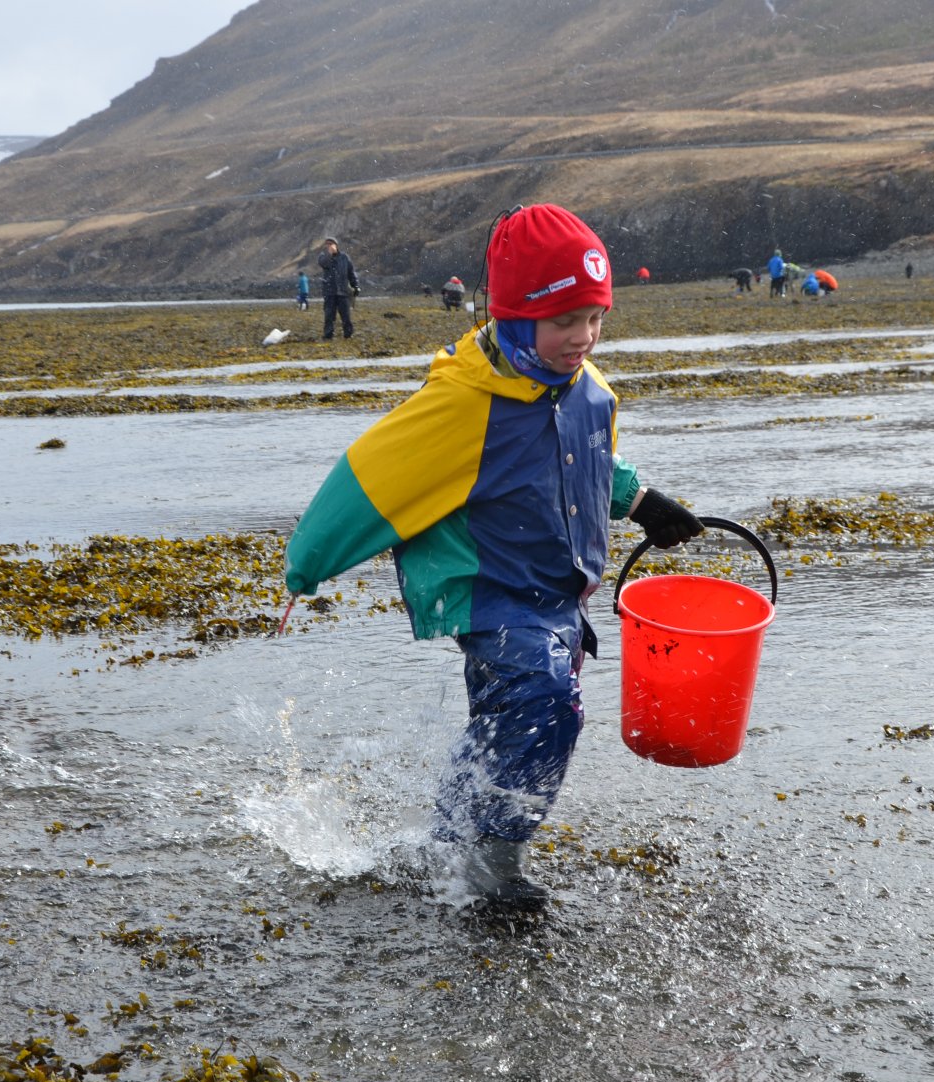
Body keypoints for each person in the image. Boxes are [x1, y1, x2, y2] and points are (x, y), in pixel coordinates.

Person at [283, 204, 706, 913]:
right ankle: (492, 865)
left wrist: (639, 502)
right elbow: (370, 479)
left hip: (560, 595)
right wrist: (308, 562)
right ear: (515, 317)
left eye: (595, 316)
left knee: (513, 720)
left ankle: (447, 841)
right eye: (564, 321)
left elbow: (586, 460)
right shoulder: (462, 405)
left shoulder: (591, 392)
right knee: (545, 706)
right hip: (489, 592)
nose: (583, 337)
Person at [318, 237, 357, 339]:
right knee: (329, 316)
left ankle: (348, 334)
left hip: (343, 292)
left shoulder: (344, 257)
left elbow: (351, 272)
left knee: (346, 316)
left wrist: (355, 285)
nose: (329, 246)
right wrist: (329, 254)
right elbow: (323, 263)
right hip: (329, 292)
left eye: (331, 244)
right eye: (327, 244)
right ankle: (328, 335)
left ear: (336, 245)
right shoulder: (323, 257)